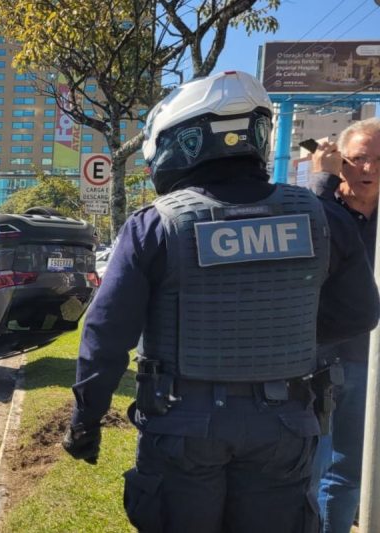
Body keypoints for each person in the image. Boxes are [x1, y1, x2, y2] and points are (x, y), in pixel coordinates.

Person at [61, 71, 380, 533]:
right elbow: (359, 313)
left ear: (181, 143)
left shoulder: (155, 225)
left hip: (182, 427)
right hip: (285, 425)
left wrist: (86, 421)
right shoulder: (321, 217)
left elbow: (106, 335)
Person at [308, 117, 380, 533]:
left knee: (347, 469)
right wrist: (321, 180)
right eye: (358, 159)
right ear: (340, 162)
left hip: (367, 360)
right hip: (315, 355)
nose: (368, 169)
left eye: (378, 159)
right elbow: (305, 236)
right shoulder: (320, 206)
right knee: (308, 463)